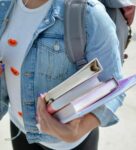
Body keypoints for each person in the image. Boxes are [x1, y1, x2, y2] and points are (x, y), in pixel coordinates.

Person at [0, 0, 125, 150]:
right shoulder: (5, 5)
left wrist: (76, 132)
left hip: (69, 145)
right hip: (20, 130)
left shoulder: (89, 13)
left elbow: (114, 87)